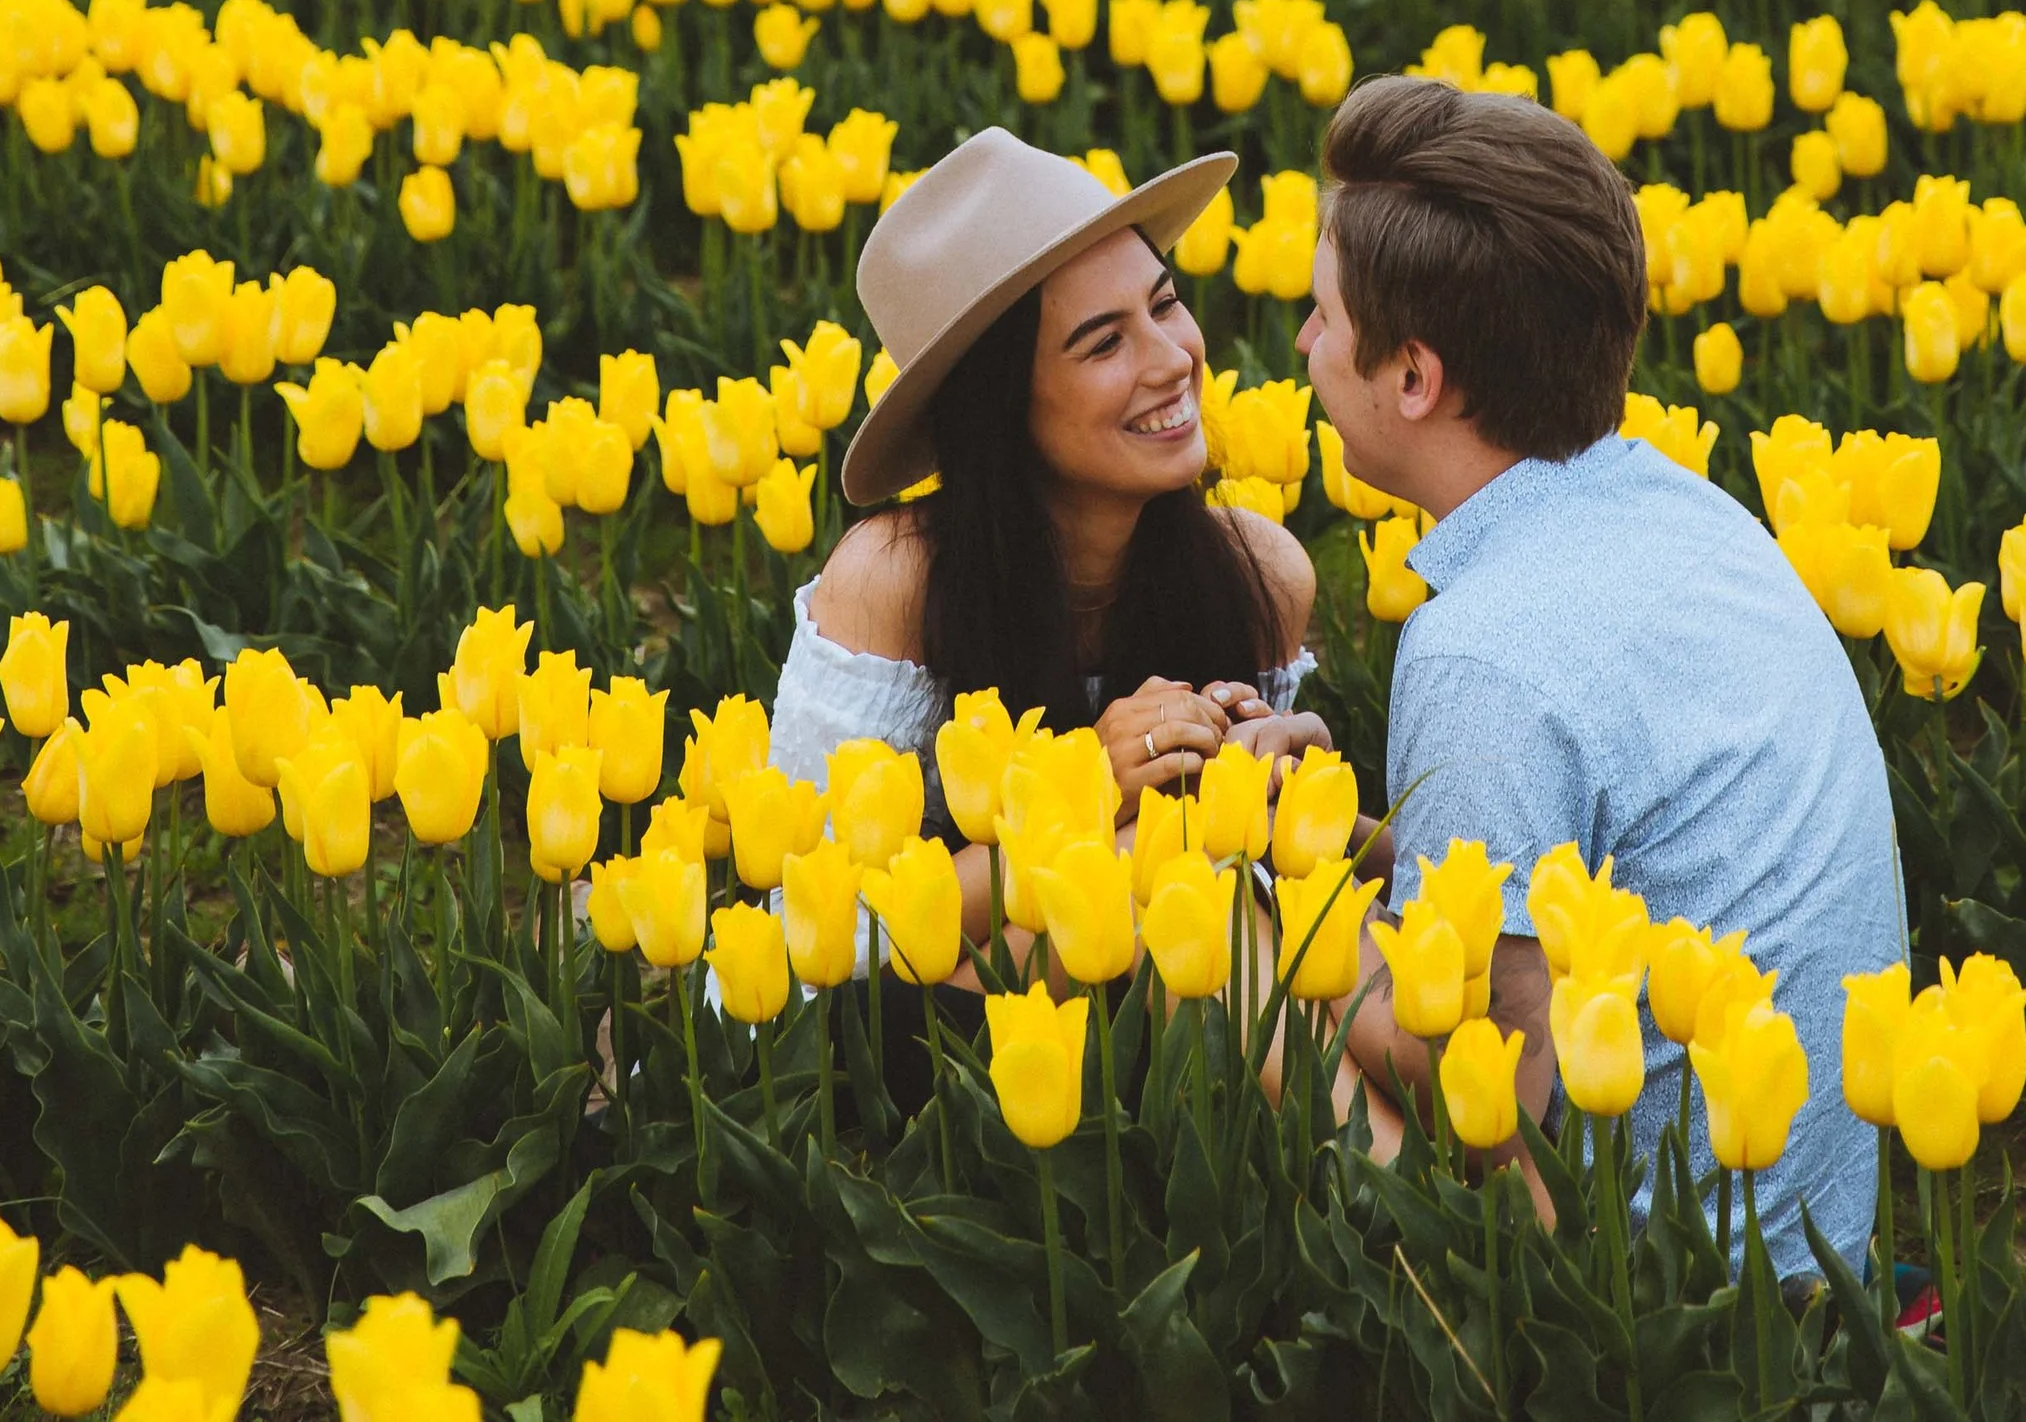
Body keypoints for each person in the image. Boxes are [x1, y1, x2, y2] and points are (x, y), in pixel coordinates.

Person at [1300, 74, 1905, 1277]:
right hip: (1823, 1227)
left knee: (1236, 973)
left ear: (1413, 378)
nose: (1303, 344)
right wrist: (1345, 835)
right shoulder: (1682, 510)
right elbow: (1576, 887)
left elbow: (1493, 1083)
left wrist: (1271, 910)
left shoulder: (1485, 648)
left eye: (1319, 315)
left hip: (1681, 1285)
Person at [770, 126, 1329, 935]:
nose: (1173, 358)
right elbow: (819, 924)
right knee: (1159, 870)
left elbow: (1256, 885)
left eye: (1165, 302)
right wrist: (1084, 794)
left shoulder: (1259, 573)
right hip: (916, 1030)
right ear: (1002, 409)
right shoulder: (892, 584)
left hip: (1172, 1028)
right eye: (1105, 342)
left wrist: (1286, 788)